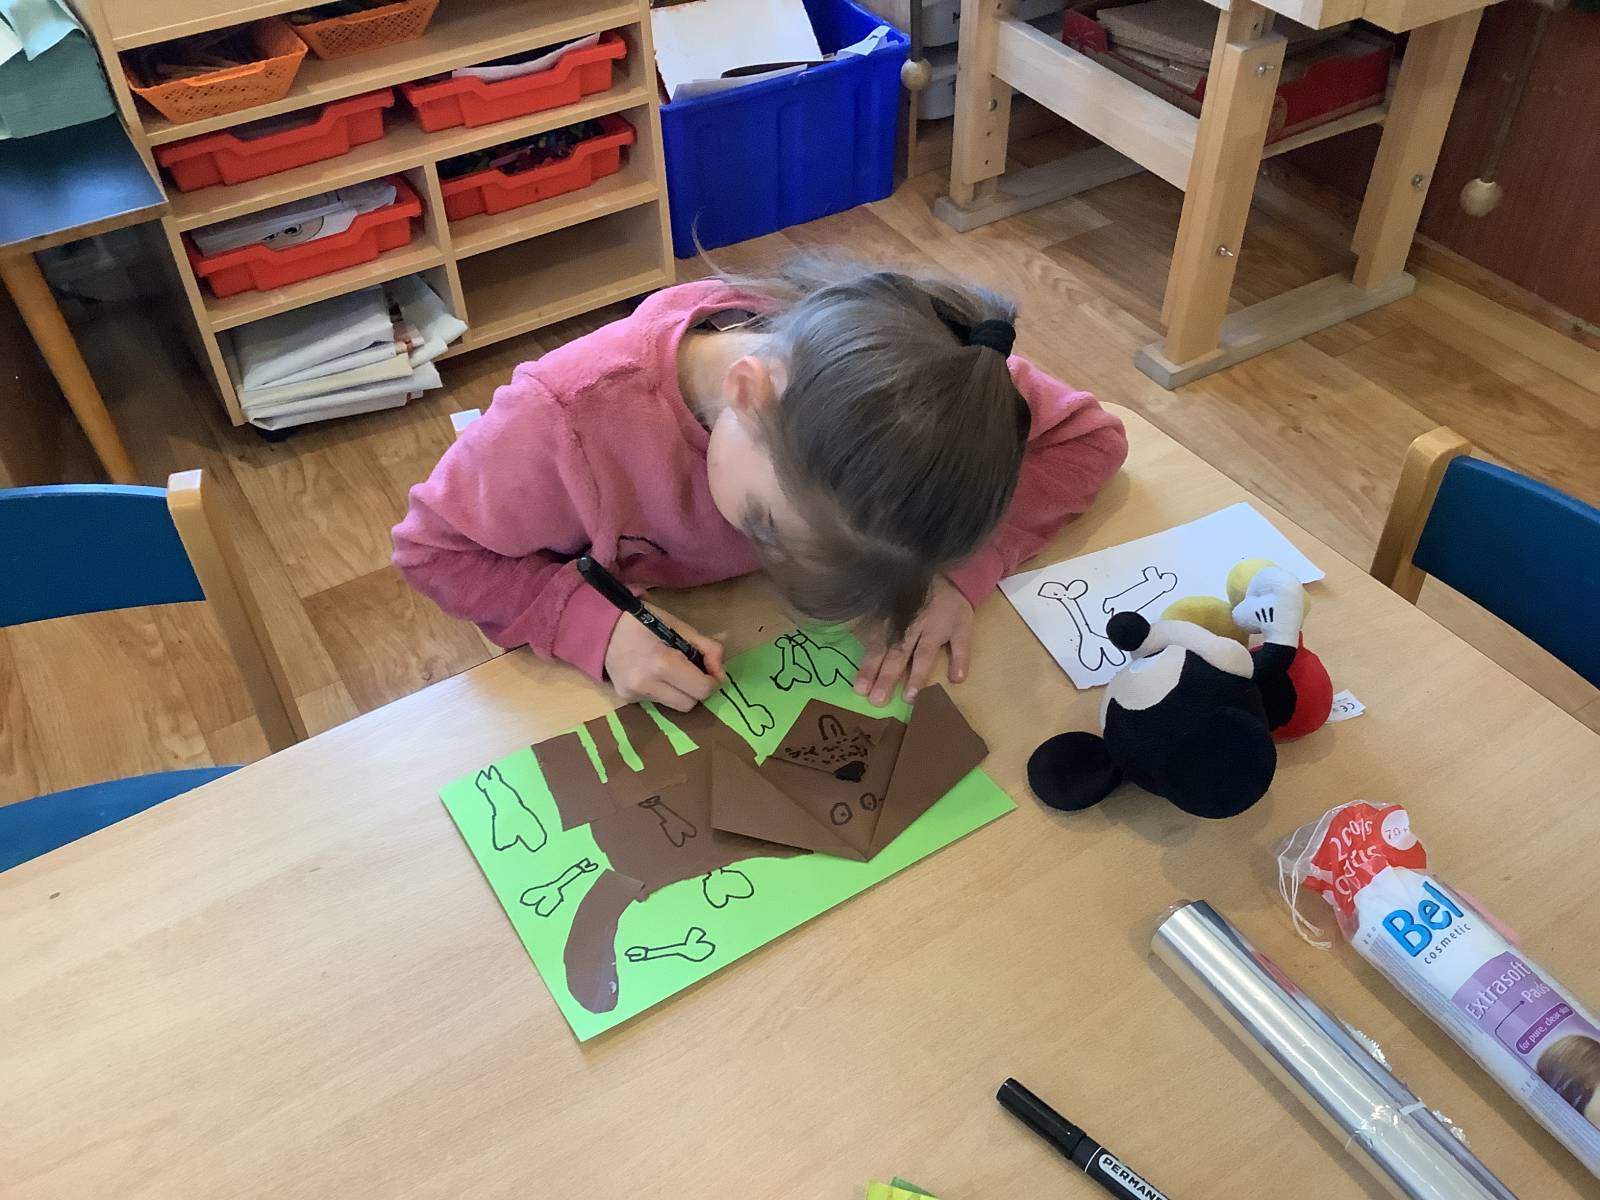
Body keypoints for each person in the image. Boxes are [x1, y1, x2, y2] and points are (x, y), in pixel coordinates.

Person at [392, 259, 1128, 713]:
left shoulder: (937, 378)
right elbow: (434, 551)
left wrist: (957, 569)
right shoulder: (563, 422)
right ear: (748, 393)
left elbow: (1089, 441)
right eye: (765, 529)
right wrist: (596, 628)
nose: (771, 560)